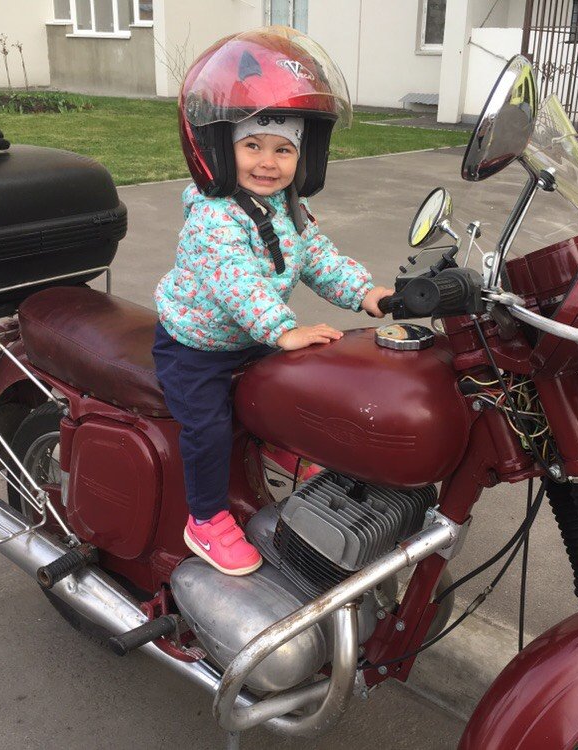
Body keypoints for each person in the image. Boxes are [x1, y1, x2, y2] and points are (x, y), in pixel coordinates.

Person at [152, 27, 392, 576]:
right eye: (252, 146)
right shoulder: (214, 217)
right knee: (208, 428)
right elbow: (237, 283)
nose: (268, 162)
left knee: (291, 389)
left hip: (250, 339)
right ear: (220, 149)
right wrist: (282, 329)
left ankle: (277, 447)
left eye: (283, 149)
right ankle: (205, 519)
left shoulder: (287, 208)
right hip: (196, 347)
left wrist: (366, 292)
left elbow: (318, 258)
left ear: (303, 156)